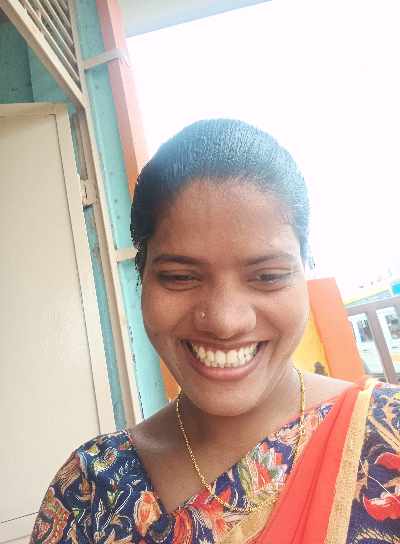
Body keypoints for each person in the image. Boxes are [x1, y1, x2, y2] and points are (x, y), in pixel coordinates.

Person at [31, 120, 400, 544]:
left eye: (267, 276)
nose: (225, 322)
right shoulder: (90, 490)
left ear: (306, 269)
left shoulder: (386, 435)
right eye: (180, 277)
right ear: (142, 277)